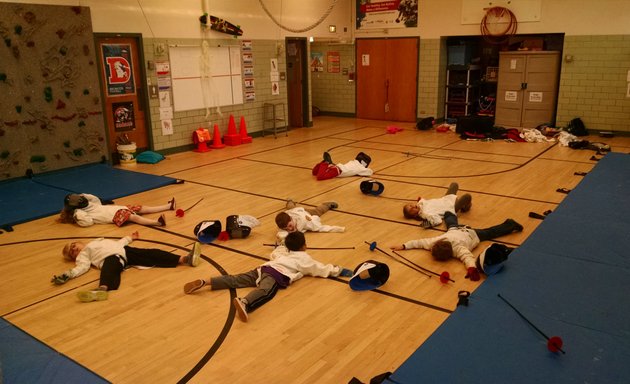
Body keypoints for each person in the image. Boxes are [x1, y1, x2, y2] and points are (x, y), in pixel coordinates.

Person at [183, 231, 353, 322]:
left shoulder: (281, 252)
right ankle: (245, 303)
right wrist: (341, 270)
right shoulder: (304, 258)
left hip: (263, 268)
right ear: (304, 246)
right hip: (275, 274)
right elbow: (320, 269)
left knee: (235, 279)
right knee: (265, 291)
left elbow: (276, 251)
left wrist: (280, 243)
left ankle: (206, 282)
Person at [51, 231, 201, 302]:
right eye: (71, 253)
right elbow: (81, 267)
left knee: (152, 254)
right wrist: (68, 274)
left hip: (124, 251)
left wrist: (130, 238)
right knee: (109, 269)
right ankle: (102, 289)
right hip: (111, 259)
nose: (74, 250)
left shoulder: (97, 241)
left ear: (78, 242)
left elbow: (118, 243)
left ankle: (185, 259)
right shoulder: (84, 255)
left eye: (73, 246)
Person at [390, 211, 523, 281]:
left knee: (491, 232)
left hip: (472, 234)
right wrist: (403, 245)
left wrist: (472, 270)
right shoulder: (435, 241)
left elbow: (468, 258)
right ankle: (449, 213)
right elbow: (418, 242)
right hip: (456, 230)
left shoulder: (458, 249)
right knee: (451, 222)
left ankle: (510, 225)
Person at [58, 193, 175, 227]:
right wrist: (77, 215)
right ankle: (157, 222)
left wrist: (83, 195)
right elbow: (88, 222)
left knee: (140, 208)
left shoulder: (89, 204)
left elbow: (95, 199)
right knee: (133, 217)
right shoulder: (81, 213)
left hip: (117, 209)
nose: (81, 199)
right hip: (113, 216)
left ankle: (168, 206)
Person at [402, 182, 472, 228]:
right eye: (411, 209)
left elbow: (424, 201)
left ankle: (463, 204)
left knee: (454, 184)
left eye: (411, 205)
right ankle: (465, 207)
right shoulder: (426, 214)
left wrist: (420, 199)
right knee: (467, 196)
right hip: (451, 208)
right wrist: (430, 224)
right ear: (414, 215)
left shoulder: (420, 204)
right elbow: (438, 221)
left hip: (445, 199)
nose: (413, 206)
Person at [275, 198, 344, 243]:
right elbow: (282, 234)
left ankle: (327, 204)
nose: (290, 229)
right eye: (287, 229)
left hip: (306, 213)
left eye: (290, 226)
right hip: (292, 211)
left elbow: (320, 227)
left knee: (318, 211)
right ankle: (290, 201)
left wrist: (338, 229)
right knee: (291, 208)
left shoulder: (303, 221)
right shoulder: (283, 225)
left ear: (291, 219)